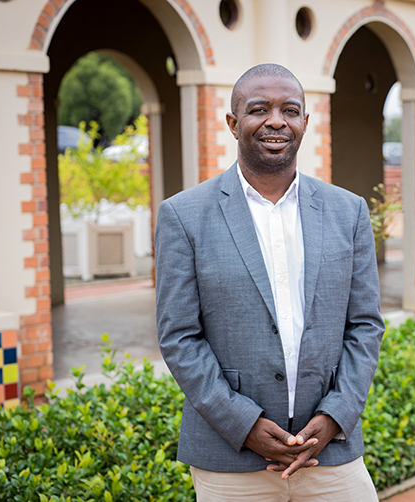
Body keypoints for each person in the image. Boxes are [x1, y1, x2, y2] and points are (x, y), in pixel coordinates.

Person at [155, 63, 384, 501]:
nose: (276, 120)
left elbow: (365, 326)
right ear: (233, 123)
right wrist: (244, 425)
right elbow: (179, 337)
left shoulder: (348, 211)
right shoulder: (184, 215)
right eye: (259, 109)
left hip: (330, 453)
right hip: (231, 460)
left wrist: (336, 414)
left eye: (290, 110)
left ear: (304, 122)